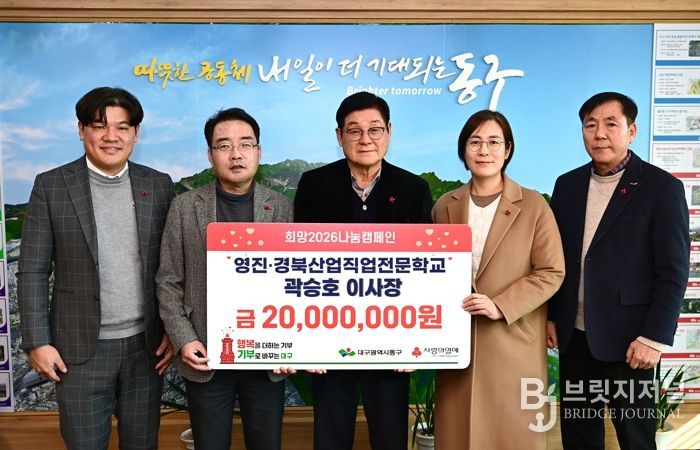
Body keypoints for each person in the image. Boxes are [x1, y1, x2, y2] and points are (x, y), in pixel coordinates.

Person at [17, 86, 174, 449]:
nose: (111, 136)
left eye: (122, 127)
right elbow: (32, 270)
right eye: (99, 126)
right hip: (79, 351)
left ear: (136, 133)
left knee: (142, 443)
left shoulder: (158, 185)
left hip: (146, 348)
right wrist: (37, 341)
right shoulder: (52, 186)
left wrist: (173, 329)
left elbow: (172, 267)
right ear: (81, 129)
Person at [548, 92, 689, 450]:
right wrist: (552, 317)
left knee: (636, 439)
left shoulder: (661, 188)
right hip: (575, 338)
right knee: (578, 436)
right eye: (590, 125)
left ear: (631, 131)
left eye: (611, 124)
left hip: (632, 343)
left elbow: (673, 272)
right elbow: (557, 259)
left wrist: (653, 339)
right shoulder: (567, 185)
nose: (599, 134)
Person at [294, 91, 433, 450]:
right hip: (327, 333)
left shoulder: (413, 189)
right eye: (354, 131)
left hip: (392, 335)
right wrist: (307, 344)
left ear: (389, 132)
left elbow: (426, 274)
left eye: (374, 129)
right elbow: (298, 264)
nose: (365, 139)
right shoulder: (314, 185)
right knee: (331, 436)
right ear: (339, 136)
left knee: (389, 436)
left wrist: (416, 340)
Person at [156, 107, 293, 450]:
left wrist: (294, 345)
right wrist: (184, 339)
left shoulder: (282, 208)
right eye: (224, 145)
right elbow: (168, 280)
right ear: (210, 154)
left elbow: (297, 282)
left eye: (246, 144)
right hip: (206, 354)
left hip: (267, 357)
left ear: (259, 152)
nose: (236, 154)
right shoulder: (185, 207)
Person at [432, 109, 565, 449]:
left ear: (508, 150)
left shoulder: (534, 205)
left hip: (512, 339)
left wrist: (500, 305)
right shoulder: (444, 206)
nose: (484, 151)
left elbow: (551, 271)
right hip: (457, 345)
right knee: (458, 434)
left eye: (494, 142)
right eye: (475, 142)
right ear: (463, 149)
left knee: (513, 434)